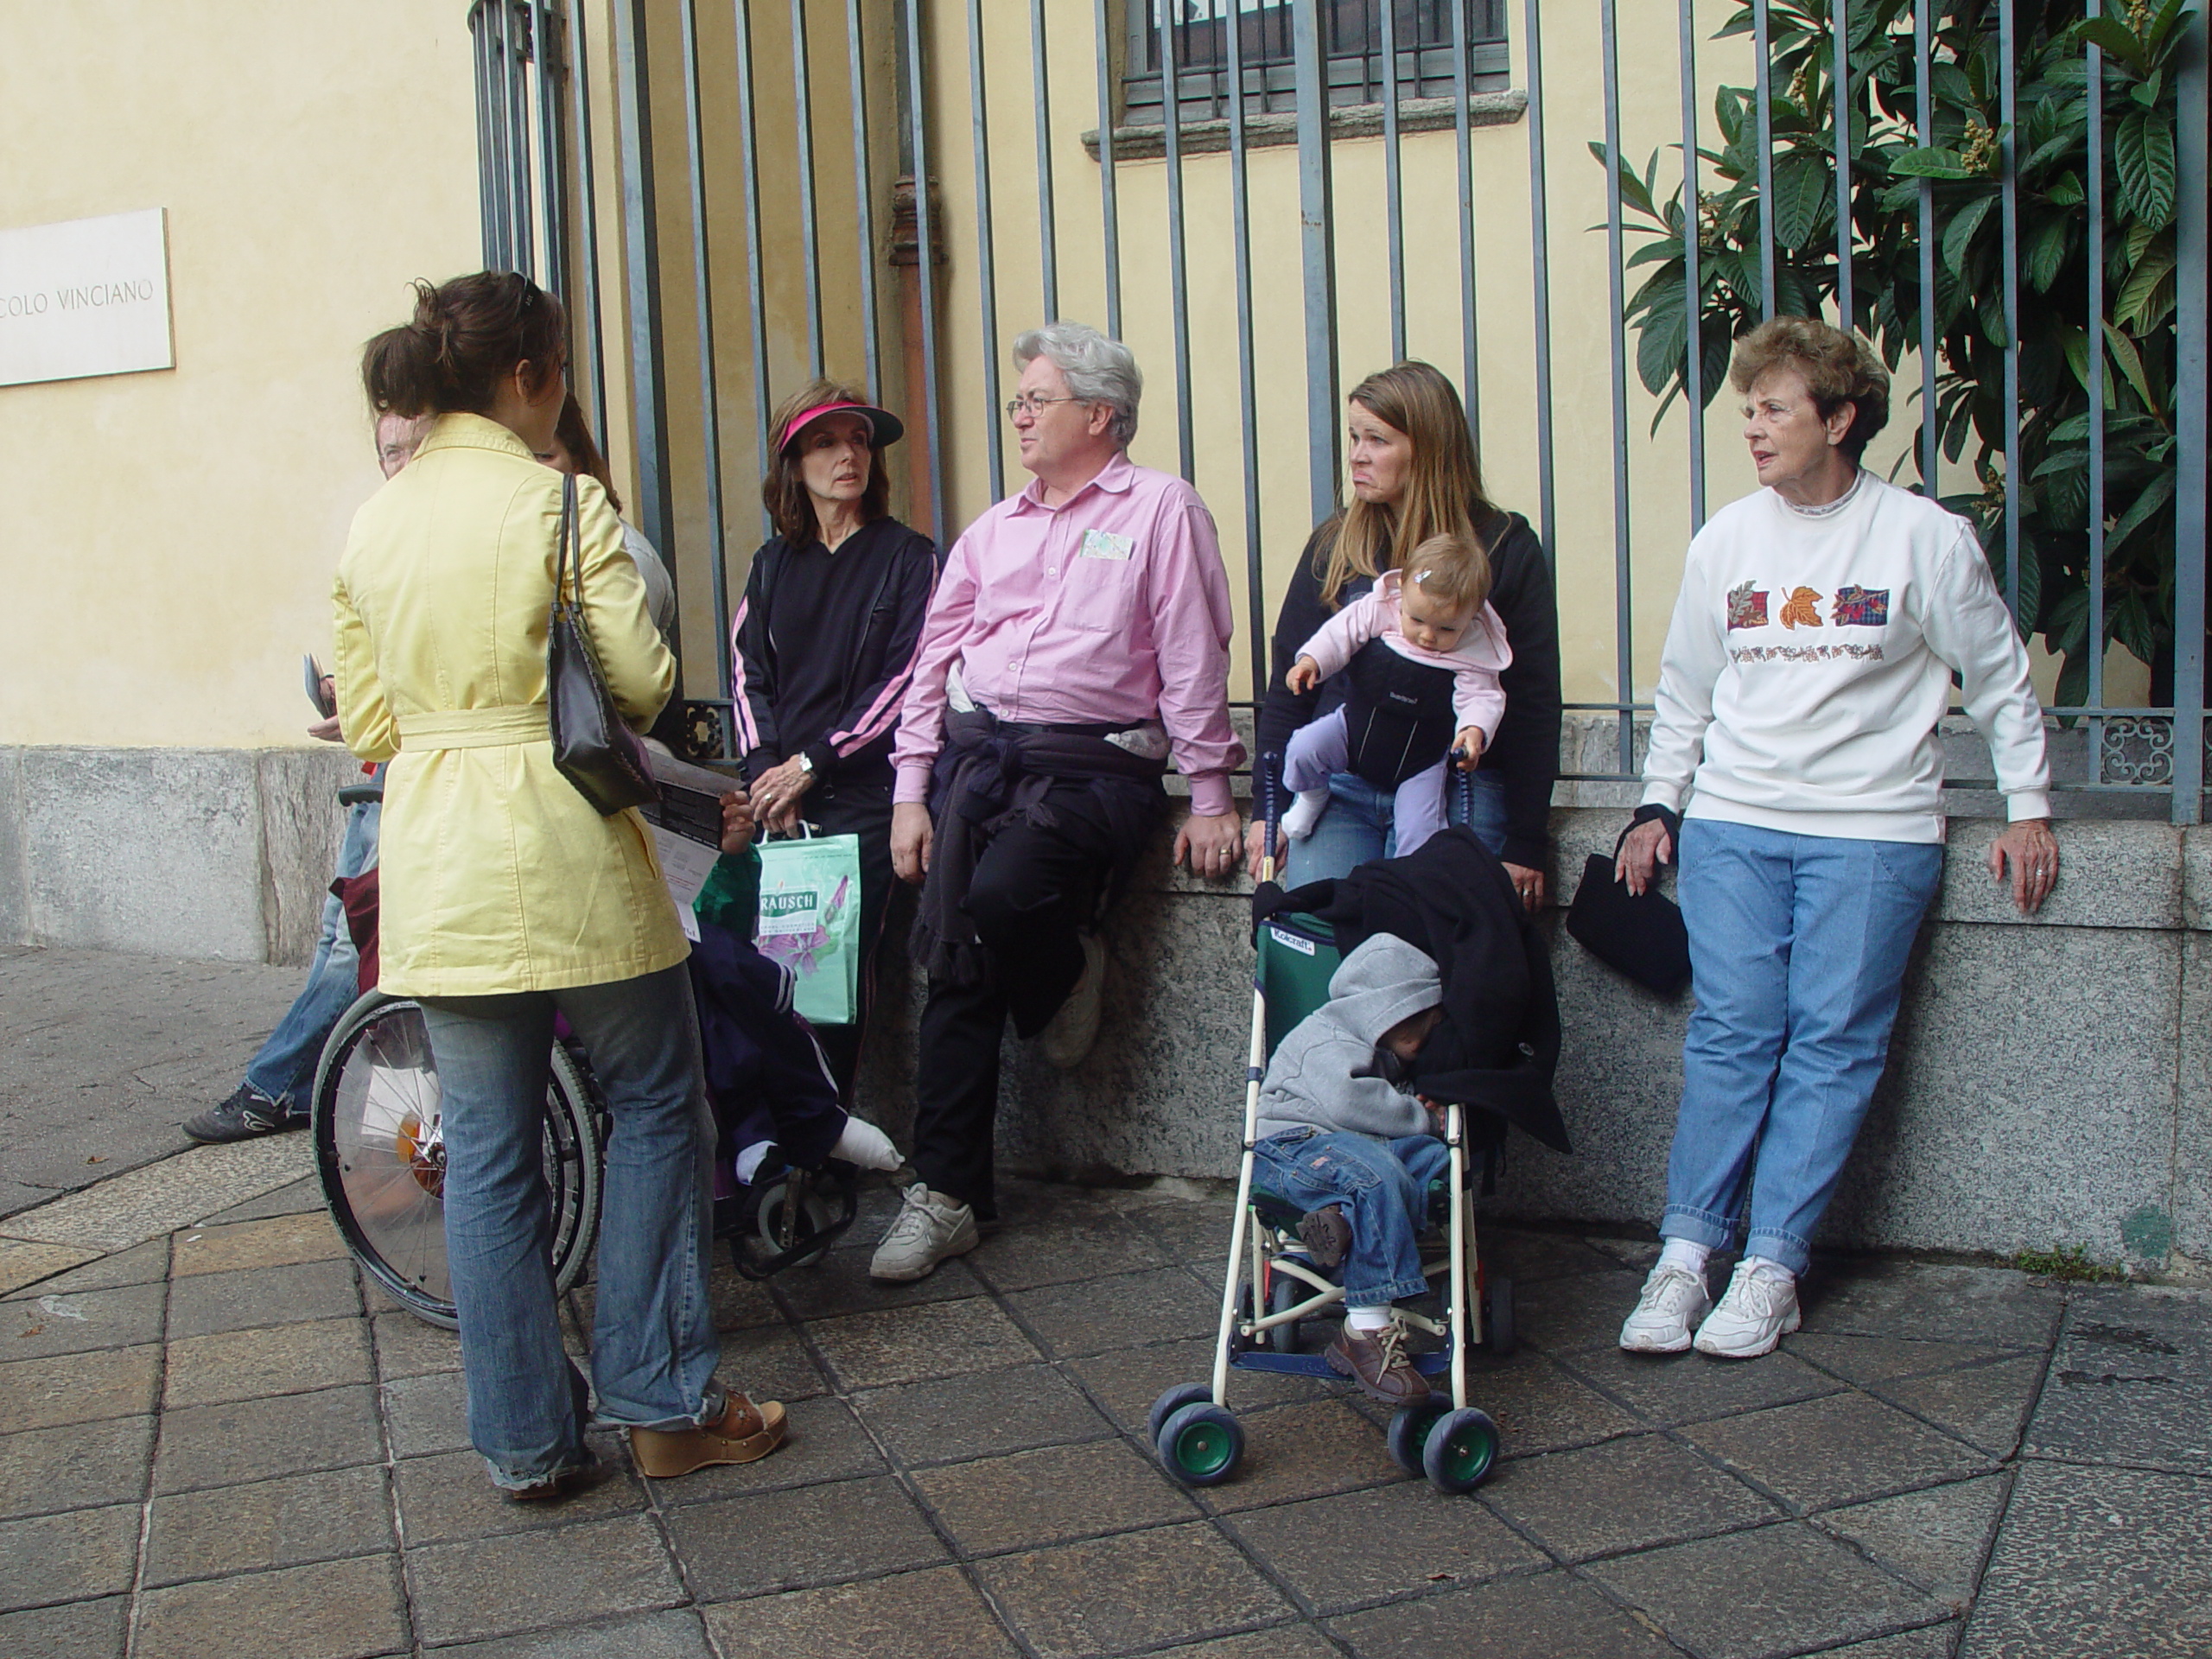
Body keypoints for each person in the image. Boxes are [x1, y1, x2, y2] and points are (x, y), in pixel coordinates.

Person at [335, 270, 784, 1495]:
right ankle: (663, 1400)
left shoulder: (373, 522)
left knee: (485, 1152)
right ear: (530, 377)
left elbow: (370, 713)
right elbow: (640, 684)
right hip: (569, 849)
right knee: (652, 1104)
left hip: (442, 857)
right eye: (564, 370)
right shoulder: (561, 502)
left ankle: (526, 1444)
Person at [1613, 317, 2060, 1361]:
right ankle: (1685, 1255)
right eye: (1747, 411)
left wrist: (2027, 804)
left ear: (1840, 417)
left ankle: (1772, 1266)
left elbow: (1995, 677)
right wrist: (1655, 804)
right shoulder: (1727, 539)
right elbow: (1686, 687)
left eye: (1774, 409)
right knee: (1733, 1031)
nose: (1754, 430)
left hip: (1873, 831)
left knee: (1831, 1042)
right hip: (1734, 824)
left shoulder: (1921, 539)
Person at [872, 320, 1245, 1282]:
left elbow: (1194, 658)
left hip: (1095, 771)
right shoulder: (991, 529)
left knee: (997, 902)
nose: (1020, 416)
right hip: (979, 759)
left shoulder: (1163, 510)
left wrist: (1210, 793)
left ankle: (1068, 962)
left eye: (1037, 399)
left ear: (1101, 414)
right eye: (1017, 402)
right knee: (956, 961)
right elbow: (932, 664)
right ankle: (947, 1194)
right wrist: (911, 791)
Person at [185, 410, 429, 1142]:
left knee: (356, 943)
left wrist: (371, 710)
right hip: (379, 759)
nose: (402, 463)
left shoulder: (436, 535)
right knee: (336, 936)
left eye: (414, 448)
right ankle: (288, 1085)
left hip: (412, 768)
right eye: (390, 452)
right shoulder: (381, 534)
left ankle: (278, 1086)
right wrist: (350, 699)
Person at [1250, 362, 1560, 910]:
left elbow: (1533, 700)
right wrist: (1267, 808)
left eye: (1377, 439)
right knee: (1323, 939)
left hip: (1454, 785)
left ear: (1429, 449)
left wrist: (1527, 839)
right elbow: (1288, 682)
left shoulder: (1504, 546)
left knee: (1428, 956)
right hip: (1340, 784)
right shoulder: (1337, 544)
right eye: (1354, 437)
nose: (1357, 456)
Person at [730, 378, 937, 1112]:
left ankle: (817, 1147)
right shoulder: (770, 565)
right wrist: (766, 778)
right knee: (770, 984)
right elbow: (749, 675)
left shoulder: (909, 557)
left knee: (831, 988)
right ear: (793, 461)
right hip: (780, 806)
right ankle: (769, 1144)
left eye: (857, 440)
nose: (847, 454)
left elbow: (909, 678)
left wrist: (813, 763)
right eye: (825, 441)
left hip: (861, 801)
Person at [1251, 932, 1454, 1406]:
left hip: (1347, 1155)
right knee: (1375, 1175)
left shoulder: (1380, 1054)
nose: (1426, 1035)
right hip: (1293, 1148)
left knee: (1428, 1159)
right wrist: (1420, 1116)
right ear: (1385, 1010)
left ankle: (1342, 1225)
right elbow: (1349, 1101)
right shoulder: (1325, 1036)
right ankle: (1364, 1331)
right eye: (1418, 1022)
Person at [1280, 531, 1510, 858]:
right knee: (1303, 749)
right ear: (1402, 589)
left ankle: (1408, 888)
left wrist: (1473, 732)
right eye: (1417, 620)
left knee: (1422, 830)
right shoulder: (1381, 608)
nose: (1428, 636)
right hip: (1353, 731)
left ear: (1473, 617)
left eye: (1447, 629)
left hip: (1421, 759)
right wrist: (1311, 661)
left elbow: (1482, 697)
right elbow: (1340, 634)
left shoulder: (1473, 650)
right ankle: (1312, 797)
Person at [548, 393, 677, 645]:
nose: (530, 470)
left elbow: (628, 673)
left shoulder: (629, 554)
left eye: (544, 456)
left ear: (577, 464)